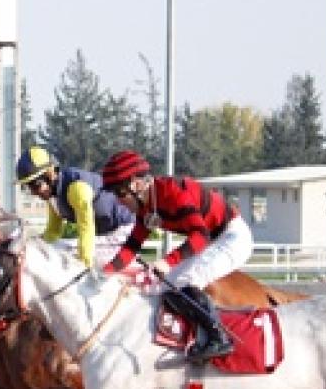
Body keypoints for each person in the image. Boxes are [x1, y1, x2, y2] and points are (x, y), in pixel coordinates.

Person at [98, 149, 254, 362]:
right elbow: (131, 247)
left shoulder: (172, 192)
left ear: (136, 184)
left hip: (232, 237)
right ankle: (187, 338)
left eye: (119, 193)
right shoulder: (146, 206)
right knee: (161, 286)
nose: (118, 201)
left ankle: (219, 339)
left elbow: (201, 236)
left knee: (184, 279)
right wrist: (103, 273)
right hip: (214, 239)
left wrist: (167, 261)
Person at [15, 146, 137, 269]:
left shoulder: (77, 189)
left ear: (50, 174)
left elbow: (86, 227)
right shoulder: (52, 195)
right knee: (51, 249)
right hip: (105, 234)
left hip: (123, 231)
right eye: (28, 187)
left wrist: (84, 263)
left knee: (65, 250)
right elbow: (53, 231)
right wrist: (33, 246)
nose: (33, 192)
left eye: (35, 185)